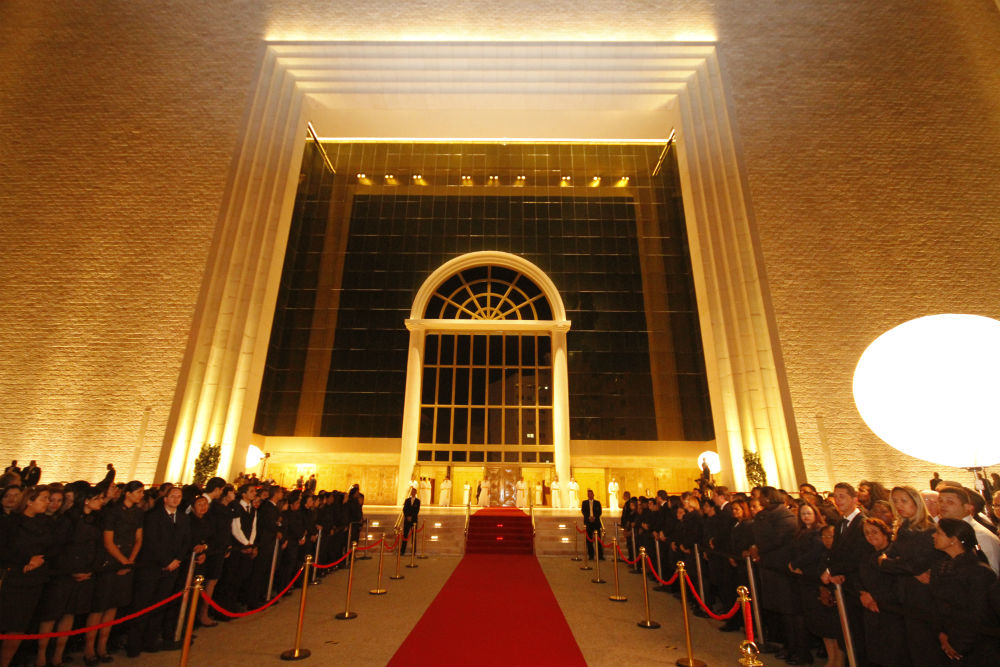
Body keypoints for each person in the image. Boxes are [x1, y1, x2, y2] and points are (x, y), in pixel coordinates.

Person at [878, 485, 944, 666]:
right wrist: (900, 566)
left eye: (904, 501)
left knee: (927, 647)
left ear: (916, 502)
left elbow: (914, 564)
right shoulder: (903, 527)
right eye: (896, 501)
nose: (899, 505)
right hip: (906, 594)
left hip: (924, 596)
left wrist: (892, 563)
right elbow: (888, 557)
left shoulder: (928, 529)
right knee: (914, 646)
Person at [929, 518, 1000, 665]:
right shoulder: (941, 567)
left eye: (939, 533)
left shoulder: (978, 571)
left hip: (977, 648)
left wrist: (958, 645)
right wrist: (941, 634)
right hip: (948, 639)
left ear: (953, 540)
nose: (933, 536)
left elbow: (977, 613)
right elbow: (937, 603)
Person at [0, 485, 53, 667]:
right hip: (12, 579)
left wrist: (40, 560)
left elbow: (51, 547)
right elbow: (4, 550)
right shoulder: (10, 522)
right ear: (29, 501)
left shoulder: (44, 523)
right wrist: (26, 560)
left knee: (19, 627)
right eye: (44, 498)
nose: (48, 502)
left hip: (33, 581)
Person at [92, 480, 144, 662]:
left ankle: (102, 646)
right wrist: (122, 561)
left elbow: (138, 538)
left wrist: (130, 561)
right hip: (111, 561)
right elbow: (108, 541)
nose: (141, 495)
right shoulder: (112, 512)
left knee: (114, 605)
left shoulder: (138, 513)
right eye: (138, 492)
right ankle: (89, 649)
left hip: (128, 559)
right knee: (99, 606)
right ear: (127, 493)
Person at [821, 482, 870, 667]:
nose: (838, 500)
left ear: (854, 499)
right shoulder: (841, 523)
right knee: (848, 634)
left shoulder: (862, 522)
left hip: (858, 586)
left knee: (860, 636)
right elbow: (836, 553)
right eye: (835, 496)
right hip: (844, 587)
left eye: (842, 496)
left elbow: (859, 555)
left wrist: (835, 571)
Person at [858, 518, 908, 667]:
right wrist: (863, 593)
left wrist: (875, 597)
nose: (870, 536)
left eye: (874, 532)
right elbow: (859, 578)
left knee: (893, 653)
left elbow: (897, 585)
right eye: (867, 533)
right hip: (871, 609)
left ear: (885, 533)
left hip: (891, 611)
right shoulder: (866, 555)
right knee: (876, 652)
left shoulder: (893, 555)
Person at [936, 485, 1000, 575]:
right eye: (940, 501)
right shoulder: (945, 531)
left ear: (968, 507)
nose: (942, 505)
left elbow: (991, 574)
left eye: (950, 502)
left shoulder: (980, 535)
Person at [581, 489, 604, 560]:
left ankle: (600, 555)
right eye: (588, 494)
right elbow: (583, 511)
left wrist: (594, 517)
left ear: (593, 494)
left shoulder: (597, 503)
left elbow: (599, 512)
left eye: (591, 494)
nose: (589, 495)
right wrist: (588, 517)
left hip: (596, 522)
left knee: (598, 539)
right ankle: (591, 555)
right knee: (589, 540)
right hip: (588, 522)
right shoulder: (584, 503)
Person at [401, 486, 420, 555]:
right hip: (407, 520)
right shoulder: (407, 500)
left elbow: (417, 510)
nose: (413, 493)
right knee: (405, 535)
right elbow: (404, 509)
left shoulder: (418, 501)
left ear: (416, 493)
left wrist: (411, 517)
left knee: (414, 536)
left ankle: (413, 551)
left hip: (414, 520)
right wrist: (407, 516)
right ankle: (402, 551)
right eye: (412, 491)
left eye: (414, 492)